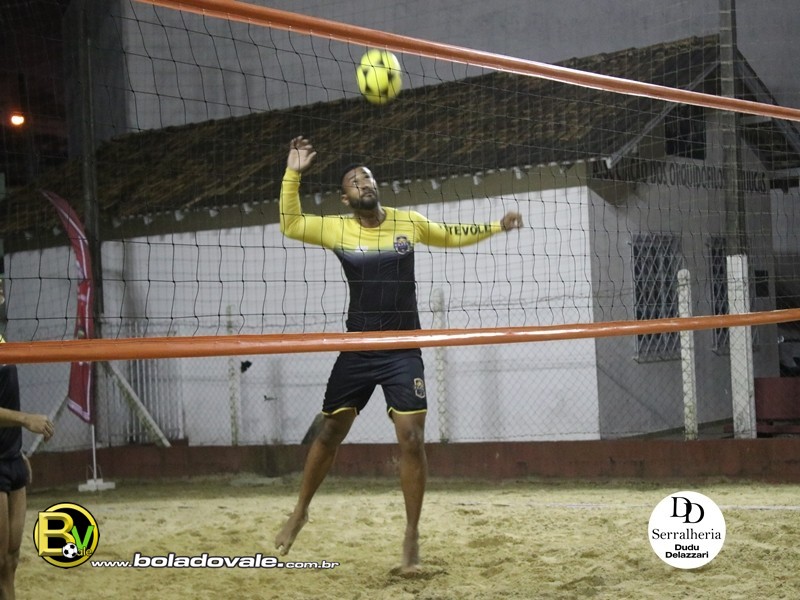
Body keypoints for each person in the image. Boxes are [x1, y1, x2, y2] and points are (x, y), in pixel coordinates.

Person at [274, 136, 523, 573]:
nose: (364, 183)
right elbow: (291, 223)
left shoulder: (408, 222)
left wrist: (495, 226)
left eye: (368, 177)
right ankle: (300, 511)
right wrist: (293, 173)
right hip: (358, 347)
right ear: (345, 198)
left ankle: (411, 534)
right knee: (330, 432)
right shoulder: (335, 228)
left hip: (403, 348)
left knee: (411, 438)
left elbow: (450, 235)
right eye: (354, 182)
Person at [0, 283, 55, 600]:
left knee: (11, 560)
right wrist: (25, 420)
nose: (1, 294)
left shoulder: (4, 342)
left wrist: (17, 450)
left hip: (11, 457)